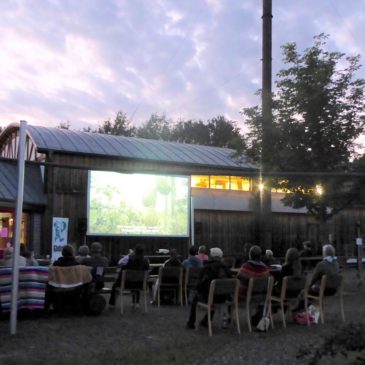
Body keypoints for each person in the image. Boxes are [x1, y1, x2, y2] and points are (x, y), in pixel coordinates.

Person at [186, 247, 232, 329]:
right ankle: (206, 321)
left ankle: (191, 323)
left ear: (212, 256)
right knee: (214, 293)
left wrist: (197, 288)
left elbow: (201, 284)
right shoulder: (227, 269)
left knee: (197, 297)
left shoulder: (207, 268)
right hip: (223, 298)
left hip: (209, 297)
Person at [237, 245, 270, 326]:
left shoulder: (246, 266)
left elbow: (239, 276)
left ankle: (228, 319)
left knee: (232, 292)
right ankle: (258, 315)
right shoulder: (265, 268)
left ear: (250, 255)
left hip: (248, 294)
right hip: (262, 295)